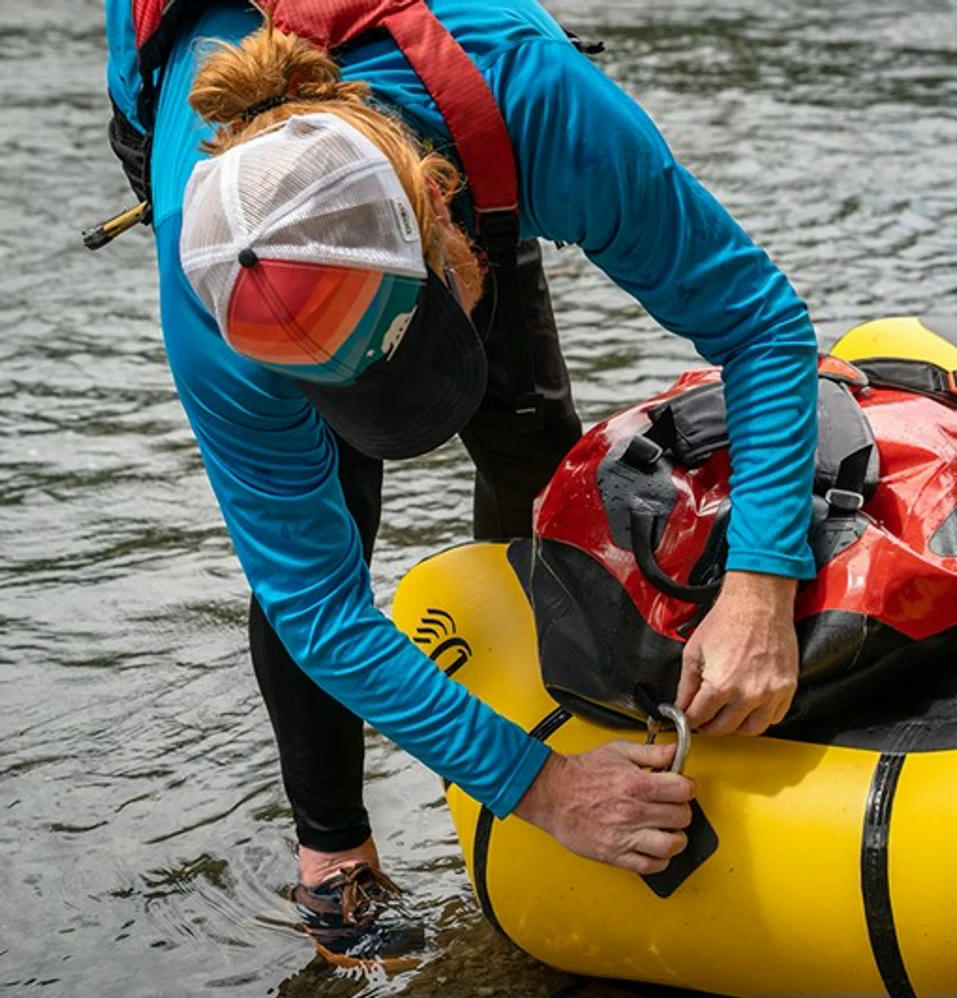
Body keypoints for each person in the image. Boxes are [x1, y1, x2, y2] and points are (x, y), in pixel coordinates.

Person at [102, 0, 818, 968]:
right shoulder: (214, 302)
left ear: (443, 209)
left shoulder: (544, 110)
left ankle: (553, 700)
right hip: (210, 132)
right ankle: (333, 853)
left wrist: (761, 581)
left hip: (451, 115)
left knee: (532, 448)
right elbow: (316, 604)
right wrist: (543, 790)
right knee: (329, 530)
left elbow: (760, 326)